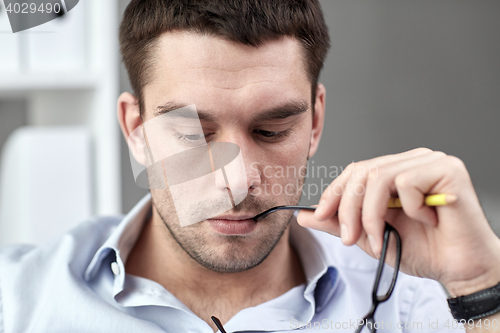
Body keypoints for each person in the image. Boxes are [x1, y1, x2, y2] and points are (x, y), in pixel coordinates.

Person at [1, 0, 499, 332]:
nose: (236, 180)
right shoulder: (18, 301)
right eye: (193, 134)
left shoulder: (418, 302)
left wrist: (481, 288)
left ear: (316, 120)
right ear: (136, 129)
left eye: (271, 131)